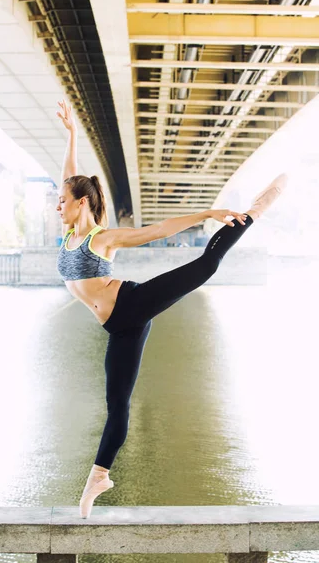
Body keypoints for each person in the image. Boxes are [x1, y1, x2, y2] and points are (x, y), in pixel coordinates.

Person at [55, 99, 288, 519]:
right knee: (118, 405)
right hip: (120, 329)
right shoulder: (69, 232)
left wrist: (208, 212)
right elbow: (70, 179)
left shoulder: (102, 239)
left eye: (63, 200)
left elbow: (157, 230)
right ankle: (99, 477)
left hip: (131, 301)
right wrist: (71, 135)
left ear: (82, 205)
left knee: (203, 266)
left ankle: (251, 214)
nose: (58, 205)